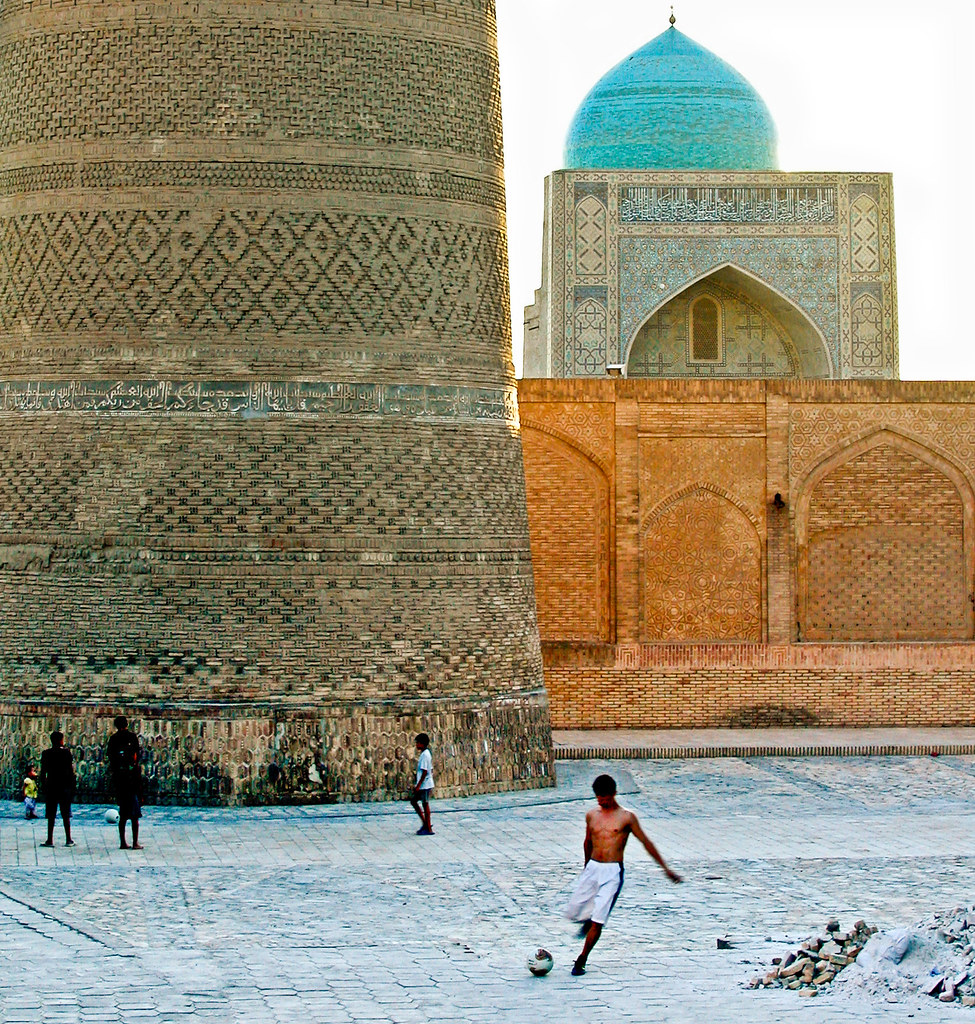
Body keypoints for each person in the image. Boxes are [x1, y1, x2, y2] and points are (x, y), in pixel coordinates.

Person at [565, 773, 681, 976]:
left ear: (615, 794)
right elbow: (588, 841)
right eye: (599, 798)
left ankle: (581, 960)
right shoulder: (592, 815)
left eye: (606, 798)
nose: (602, 802)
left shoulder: (626, 817)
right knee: (573, 910)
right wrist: (586, 867)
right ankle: (587, 921)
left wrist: (665, 869)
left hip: (612, 871)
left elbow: (646, 842)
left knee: (599, 918)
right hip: (593, 867)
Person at [107, 716, 143, 849]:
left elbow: (110, 758)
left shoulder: (113, 739)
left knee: (123, 814)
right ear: (127, 724)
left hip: (120, 781)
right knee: (134, 816)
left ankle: (123, 842)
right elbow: (136, 756)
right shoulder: (132, 737)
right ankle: (135, 842)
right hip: (131, 780)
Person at [39, 731, 75, 847]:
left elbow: (43, 772)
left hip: (51, 786)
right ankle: (68, 839)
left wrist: (44, 786)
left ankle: (50, 839)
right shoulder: (66, 753)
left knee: (51, 815)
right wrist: (72, 787)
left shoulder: (46, 753)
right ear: (61, 740)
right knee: (65, 814)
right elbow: (70, 771)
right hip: (64, 787)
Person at [410, 733, 434, 835]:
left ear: (422, 744)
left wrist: (419, 785)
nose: (416, 745)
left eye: (418, 743)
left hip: (425, 785)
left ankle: (428, 827)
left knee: (425, 804)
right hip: (425, 783)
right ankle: (425, 823)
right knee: (414, 801)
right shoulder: (426, 753)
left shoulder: (425, 755)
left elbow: (424, 771)